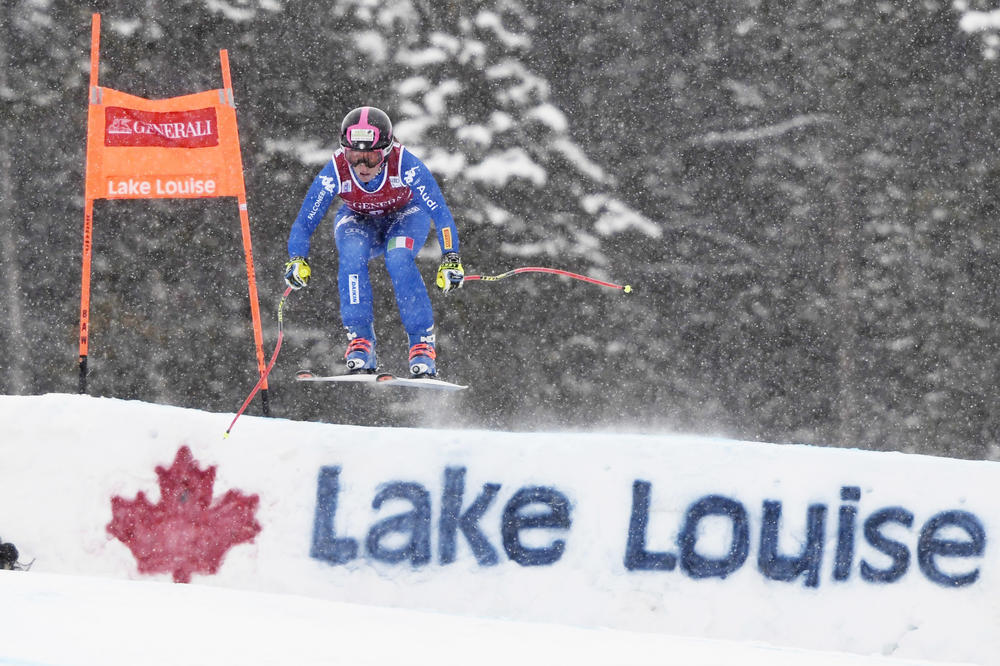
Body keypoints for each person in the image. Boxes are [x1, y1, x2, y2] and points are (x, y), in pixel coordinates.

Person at [284, 106, 465, 378]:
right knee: (351, 253)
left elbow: (440, 214)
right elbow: (304, 221)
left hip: (405, 217)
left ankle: (422, 344)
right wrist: (297, 257)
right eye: (354, 156)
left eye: (371, 158)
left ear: (387, 150)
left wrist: (451, 256)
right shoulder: (336, 168)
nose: (362, 166)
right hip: (359, 220)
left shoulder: (405, 164)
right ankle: (361, 341)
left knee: (398, 258)